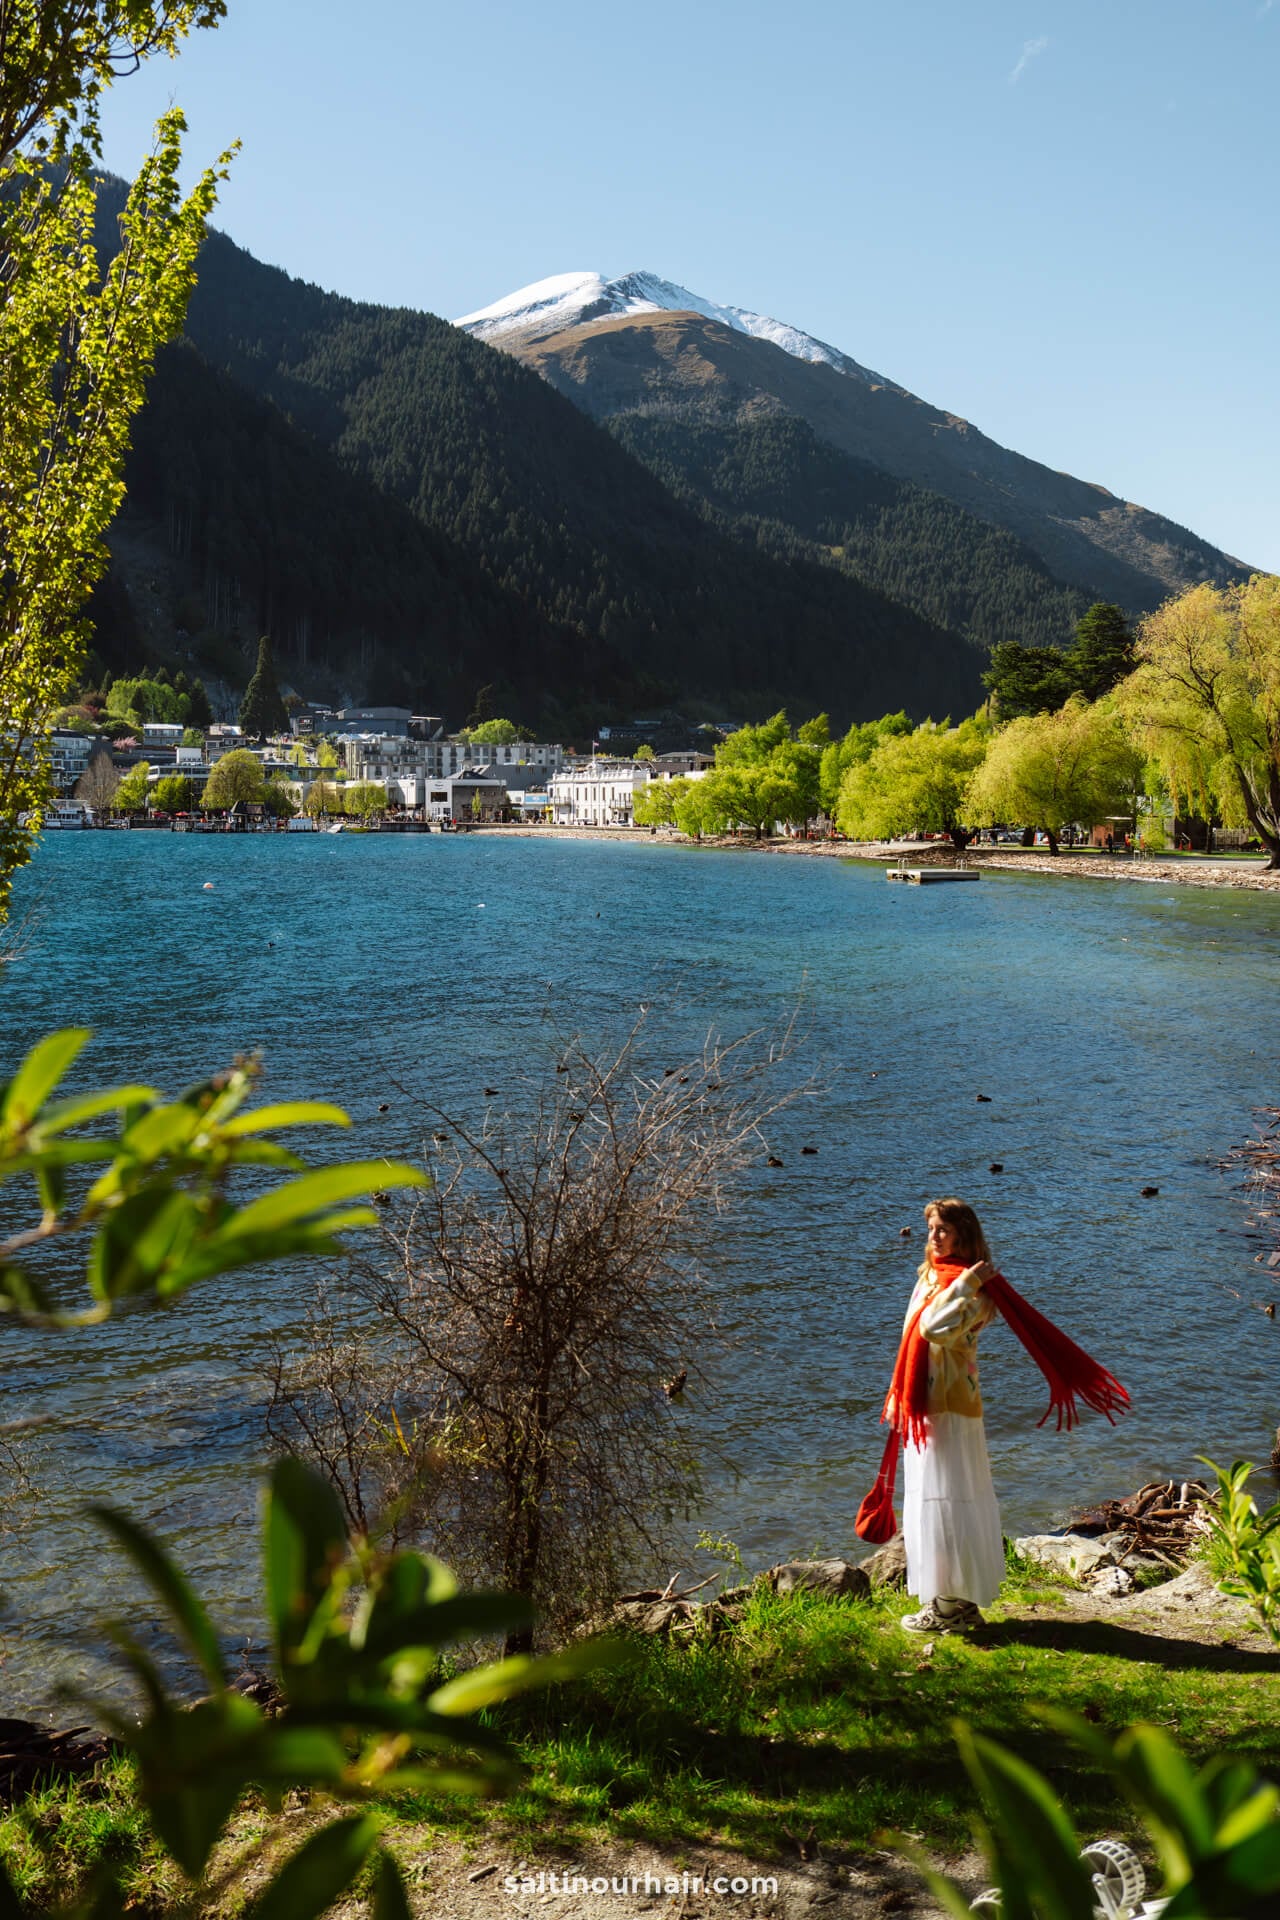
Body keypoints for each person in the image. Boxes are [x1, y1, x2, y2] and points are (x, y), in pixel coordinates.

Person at [855, 1196, 1129, 1634]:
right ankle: (949, 1602)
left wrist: (964, 1284)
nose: (933, 1237)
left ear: (964, 1234)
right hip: (924, 1408)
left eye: (942, 1229)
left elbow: (933, 1329)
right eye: (930, 1229)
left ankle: (951, 1607)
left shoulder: (977, 1290)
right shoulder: (933, 1276)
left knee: (949, 1502)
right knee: (931, 1499)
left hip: (951, 1410)